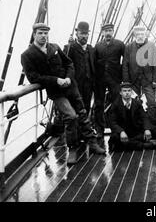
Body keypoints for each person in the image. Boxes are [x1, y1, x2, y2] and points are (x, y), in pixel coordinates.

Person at [21, 23, 105, 165]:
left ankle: (92, 143)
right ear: (34, 34)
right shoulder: (27, 55)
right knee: (71, 116)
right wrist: (56, 81)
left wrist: (67, 78)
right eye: (40, 33)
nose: (43, 36)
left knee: (83, 113)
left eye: (45, 33)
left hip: (71, 86)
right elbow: (33, 77)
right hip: (56, 91)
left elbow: (69, 64)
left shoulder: (54, 47)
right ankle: (72, 148)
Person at [94, 23, 125, 139]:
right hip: (100, 79)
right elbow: (93, 62)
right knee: (98, 105)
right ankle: (99, 130)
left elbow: (125, 60)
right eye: (106, 31)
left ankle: (117, 129)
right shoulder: (98, 46)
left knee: (117, 103)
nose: (108, 33)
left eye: (110, 30)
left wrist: (123, 77)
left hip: (115, 79)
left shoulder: (120, 45)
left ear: (113, 31)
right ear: (102, 33)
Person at [122, 26, 156, 121]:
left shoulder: (151, 46)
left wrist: (155, 80)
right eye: (138, 34)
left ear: (145, 34)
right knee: (134, 103)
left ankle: (152, 124)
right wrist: (126, 82)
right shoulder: (129, 47)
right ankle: (135, 123)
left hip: (148, 80)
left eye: (142, 34)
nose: (140, 36)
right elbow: (125, 65)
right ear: (135, 35)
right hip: (133, 80)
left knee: (151, 102)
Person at [108, 82, 154, 150]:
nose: (127, 93)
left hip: (134, 131)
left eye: (129, 90)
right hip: (122, 132)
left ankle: (133, 144)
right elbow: (112, 122)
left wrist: (147, 129)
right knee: (115, 139)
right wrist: (121, 131)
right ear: (120, 92)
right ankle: (143, 145)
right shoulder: (115, 105)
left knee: (152, 129)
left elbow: (144, 117)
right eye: (124, 91)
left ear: (131, 92)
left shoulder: (136, 103)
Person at [63, 21, 95, 115]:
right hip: (75, 86)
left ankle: (84, 129)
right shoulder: (70, 48)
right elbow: (65, 66)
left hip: (88, 86)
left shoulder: (91, 49)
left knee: (86, 107)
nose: (84, 36)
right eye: (81, 33)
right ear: (77, 34)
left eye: (86, 34)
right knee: (75, 110)